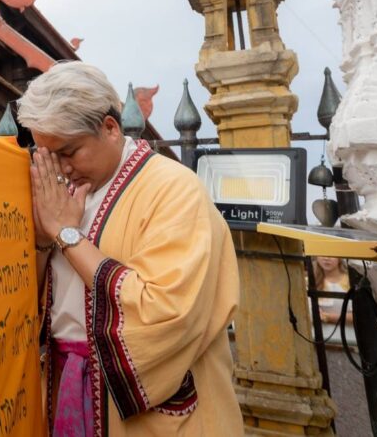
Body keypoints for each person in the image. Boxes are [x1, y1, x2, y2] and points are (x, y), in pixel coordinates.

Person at [17, 62, 242, 436]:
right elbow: (37, 301)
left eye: (70, 151)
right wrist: (44, 238)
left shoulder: (174, 190)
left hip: (143, 403)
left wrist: (67, 235)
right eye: (49, 155)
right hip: (65, 380)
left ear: (110, 128)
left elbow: (165, 310)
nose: (62, 168)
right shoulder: (59, 193)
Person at [313, 257, 353, 325]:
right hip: (317, 331)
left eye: (331, 255)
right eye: (322, 253)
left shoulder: (351, 282)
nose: (326, 258)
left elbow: (361, 315)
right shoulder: (309, 282)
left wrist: (329, 317)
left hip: (348, 330)